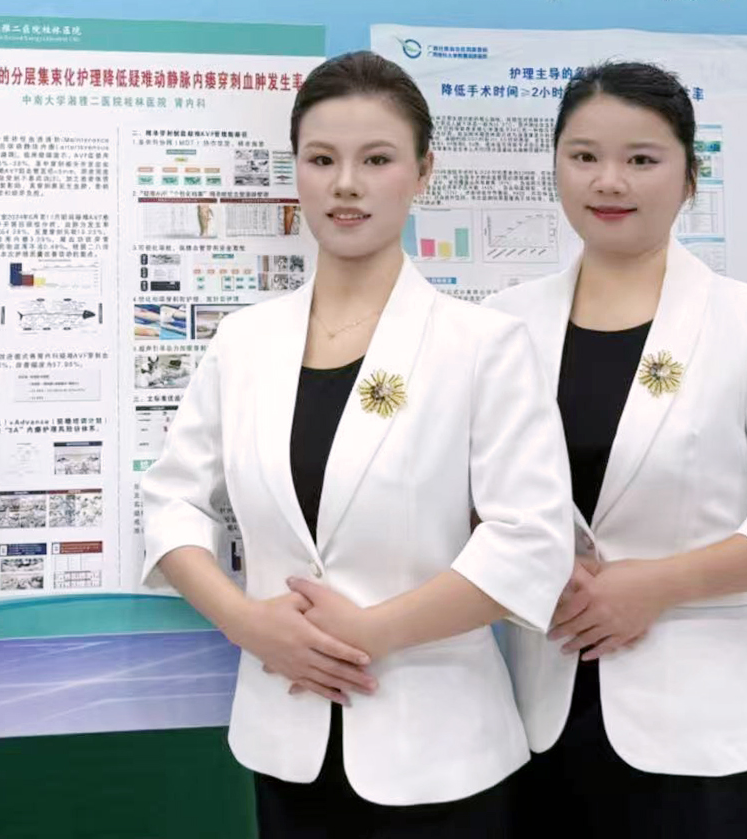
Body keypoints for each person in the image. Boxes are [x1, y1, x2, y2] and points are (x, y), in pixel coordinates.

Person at [140, 52, 574, 837]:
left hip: (441, 750)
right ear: (297, 171)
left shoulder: (482, 345)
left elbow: (530, 541)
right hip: (286, 736)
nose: (346, 184)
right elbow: (171, 499)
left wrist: (369, 632)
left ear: (423, 171)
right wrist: (245, 621)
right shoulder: (244, 341)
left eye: (376, 160)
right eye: (322, 160)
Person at [485, 61, 747, 837]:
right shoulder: (500, 324)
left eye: (642, 158)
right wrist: (525, 569)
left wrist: (656, 584)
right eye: (583, 155)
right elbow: (462, 494)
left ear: (689, 176)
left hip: (702, 727)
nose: (609, 181)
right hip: (538, 715)